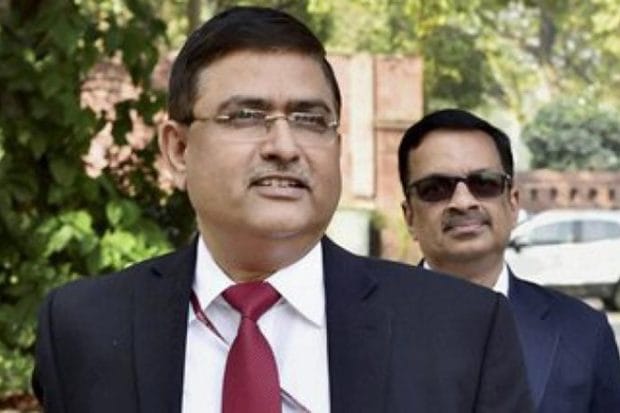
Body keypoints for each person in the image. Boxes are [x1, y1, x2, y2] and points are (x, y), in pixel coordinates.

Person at [32, 8, 533, 413]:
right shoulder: (86, 327)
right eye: (246, 116)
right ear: (178, 149)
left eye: (310, 119)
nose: (284, 146)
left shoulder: (463, 328)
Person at [398, 108, 620, 413]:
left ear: (513, 204)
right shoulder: (361, 332)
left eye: (484, 183)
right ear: (409, 216)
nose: (463, 201)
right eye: (435, 188)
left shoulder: (584, 332)